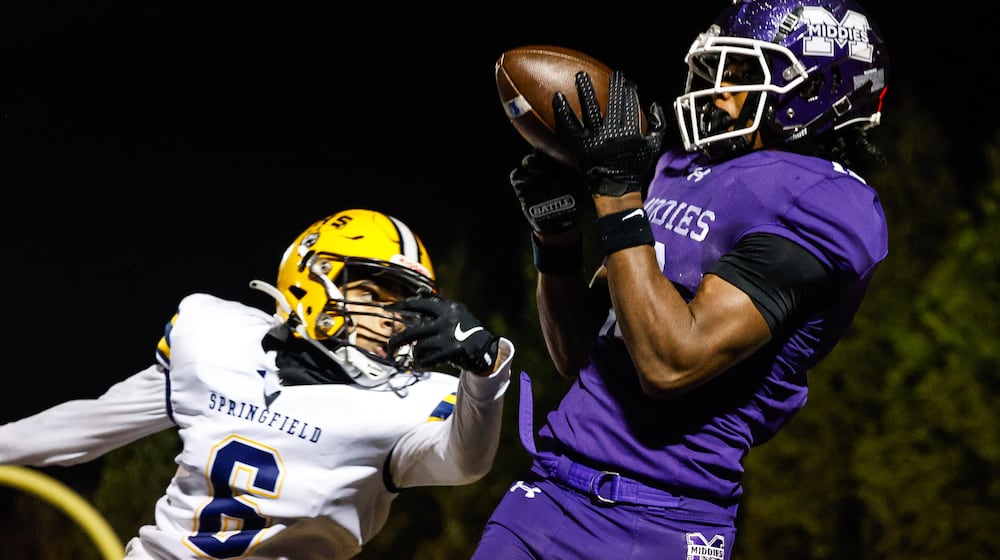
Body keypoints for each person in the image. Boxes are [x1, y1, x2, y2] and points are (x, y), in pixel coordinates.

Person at [472, 0, 889, 559]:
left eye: (742, 74)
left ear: (816, 90)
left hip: (661, 521)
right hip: (546, 495)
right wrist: (558, 243)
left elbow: (671, 362)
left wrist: (617, 193)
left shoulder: (824, 201)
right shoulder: (682, 167)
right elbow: (585, 359)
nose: (717, 90)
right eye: (716, 70)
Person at [0, 208, 515, 560]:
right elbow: (90, 426)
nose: (390, 319)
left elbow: (464, 462)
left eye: (403, 306)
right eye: (373, 295)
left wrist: (484, 370)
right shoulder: (216, 338)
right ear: (311, 278)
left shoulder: (414, 400)